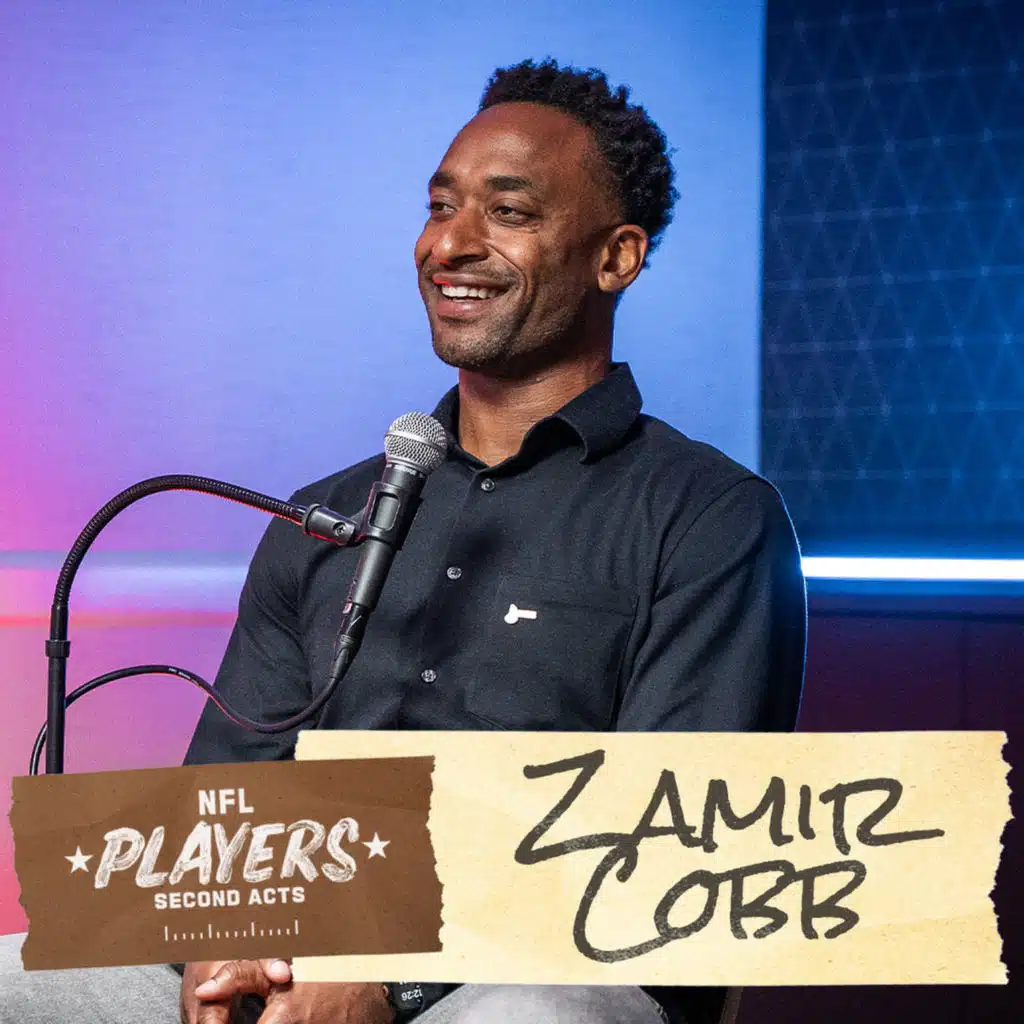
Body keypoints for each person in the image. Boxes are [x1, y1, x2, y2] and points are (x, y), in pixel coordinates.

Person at [0, 58, 805, 1024]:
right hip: (291, 952)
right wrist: (219, 941)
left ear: (616, 257)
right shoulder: (321, 518)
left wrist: (390, 986)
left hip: (533, 974)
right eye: (440, 207)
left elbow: (677, 857)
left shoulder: (711, 519)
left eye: (508, 212)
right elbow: (224, 807)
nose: (451, 243)